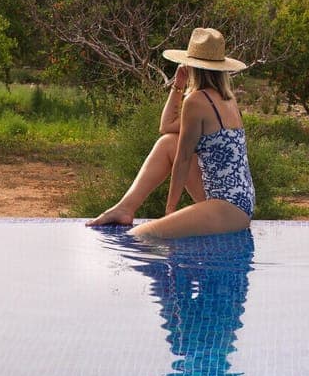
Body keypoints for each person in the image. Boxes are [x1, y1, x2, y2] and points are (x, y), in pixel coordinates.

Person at [86, 27, 255, 238]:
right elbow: (166, 126)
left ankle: (134, 214)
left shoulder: (197, 101)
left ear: (192, 65)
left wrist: (169, 212)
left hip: (227, 208)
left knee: (140, 236)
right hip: (241, 201)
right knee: (168, 143)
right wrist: (178, 85)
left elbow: (183, 160)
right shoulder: (226, 98)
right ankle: (125, 207)